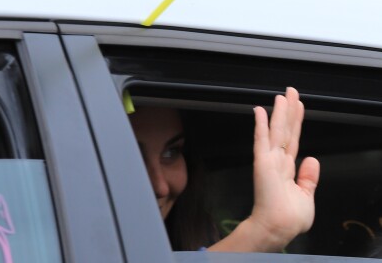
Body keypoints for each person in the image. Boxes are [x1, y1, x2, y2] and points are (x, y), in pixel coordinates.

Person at [128, 87, 321, 252]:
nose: (160, 187)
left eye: (171, 153)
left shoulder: (201, 234)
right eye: (129, 156)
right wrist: (264, 232)